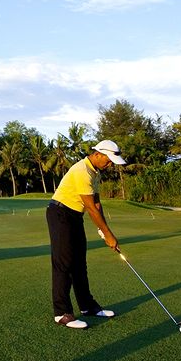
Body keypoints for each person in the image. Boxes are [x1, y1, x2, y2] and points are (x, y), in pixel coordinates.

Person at [46, 139, 125, 329]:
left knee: (80, 263)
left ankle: (87, 306)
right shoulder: (82, 170)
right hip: (60, 214)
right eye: (108, 160)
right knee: (63, 263)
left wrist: (104, 230)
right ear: (98, 154)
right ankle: (61, 313)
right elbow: (90, 207)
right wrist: (109, 235)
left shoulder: (95, 172)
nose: (109, 165)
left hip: (74, 216)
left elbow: (97, 203)